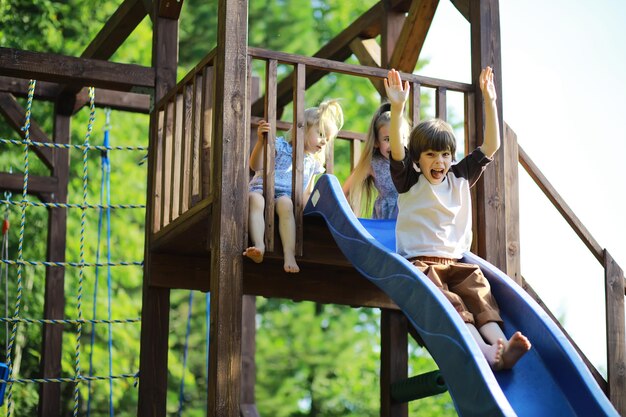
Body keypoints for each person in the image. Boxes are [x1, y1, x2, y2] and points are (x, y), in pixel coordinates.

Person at [384, 67, 531, 370]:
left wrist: (490, 100)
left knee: (480, 295)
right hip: (422, 264)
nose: (439, 162)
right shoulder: (409, 181)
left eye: (445, 155)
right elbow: (397, 152)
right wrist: (397, 107)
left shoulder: (459, 177)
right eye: (430, 155)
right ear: (417, 160)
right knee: (453, 304)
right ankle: (487, 353)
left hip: (457, 261)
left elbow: (492, 146)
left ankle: (501, 344)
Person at [243, 99, 344, 273]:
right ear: (303, 130)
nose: (324, 141)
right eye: (320, 134)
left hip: (285, 196)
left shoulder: (313, 164)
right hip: (262, 188)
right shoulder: (280, 146)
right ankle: (259, 246)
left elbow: (307, 192)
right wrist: (261, 142)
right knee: (255, 200)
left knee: (286, 205)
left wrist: (310, 212)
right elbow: (255, 165)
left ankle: (289, 254)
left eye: (327, 139)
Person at [342, 102, 410, 219]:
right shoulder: (373, 164)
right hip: (384, 220)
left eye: (400, 138)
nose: (394, 144)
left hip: (408, 215)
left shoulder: (412, 162)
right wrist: (346, 217)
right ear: (376, 142)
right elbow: (345, 191)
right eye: (387, 139)